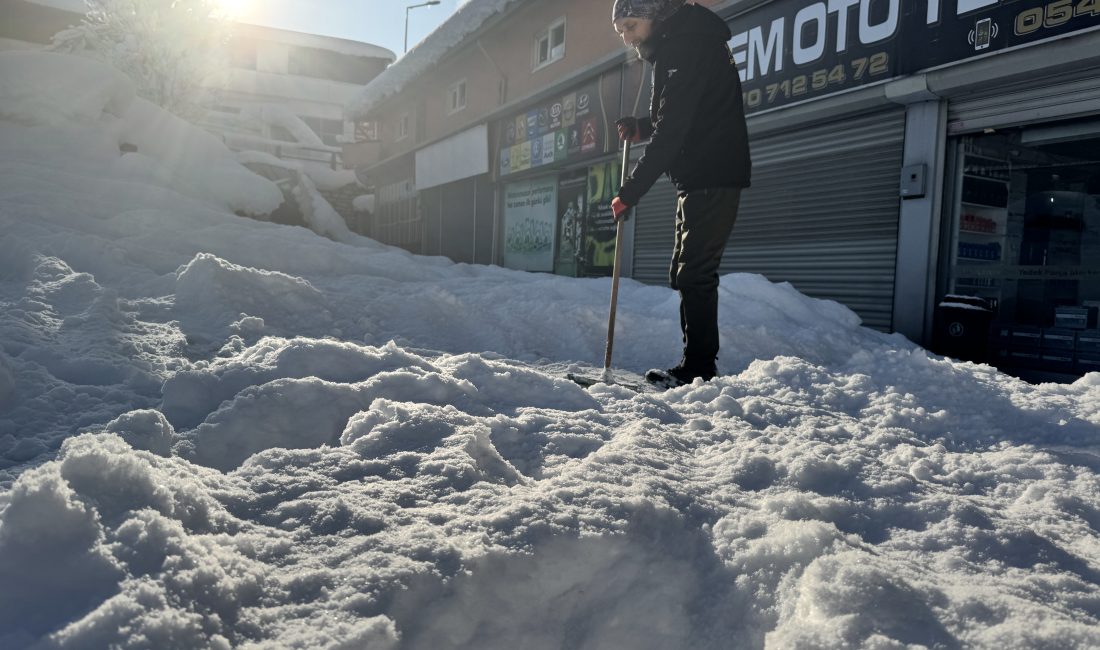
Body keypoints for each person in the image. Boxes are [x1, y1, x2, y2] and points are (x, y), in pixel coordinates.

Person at [610, 0, 751, 387]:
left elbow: (674, 131)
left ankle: (699, 369)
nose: (627, 36)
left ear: (655, 15)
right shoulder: (678, 44)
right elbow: (683, 114)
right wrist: (641, 127)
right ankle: (697, 365)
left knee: (695, 274)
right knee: (686, 272)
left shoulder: (686, 47)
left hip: (712, 173)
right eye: (621, 30)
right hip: (699, 176)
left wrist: (630, 191)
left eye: (631, 25)